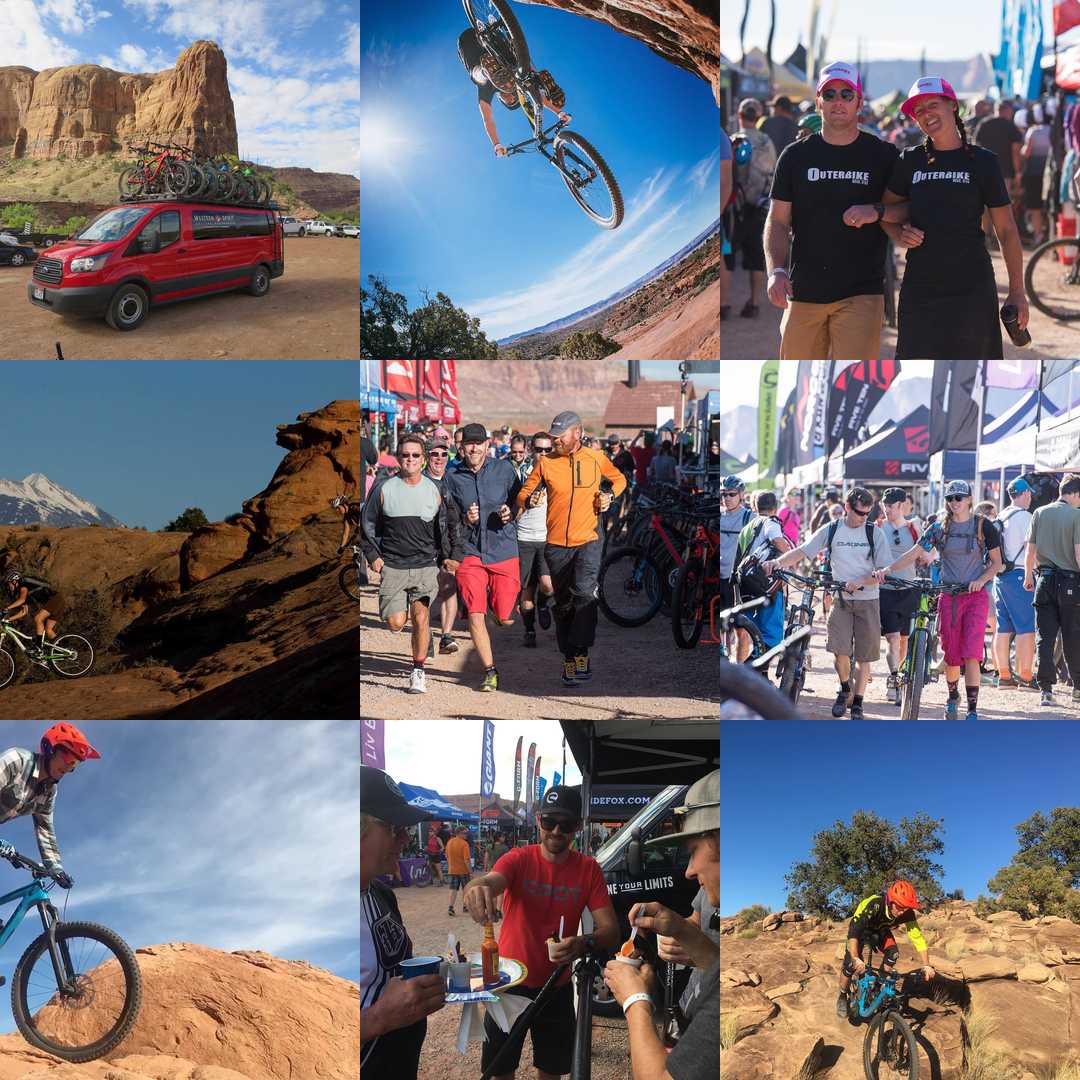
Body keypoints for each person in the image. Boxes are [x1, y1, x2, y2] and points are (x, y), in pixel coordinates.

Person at [462, 785, 620, 1080]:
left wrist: (582, 943)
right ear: (538, 821)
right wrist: (475, 889)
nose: (556, 831)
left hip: (556, 986)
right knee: (500, 1070)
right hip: (508, 983)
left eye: (566, 824)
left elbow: (611, 930)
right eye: (549, 821)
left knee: (551, 1071)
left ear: (578, 826)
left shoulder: (588, 869)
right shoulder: (518, 858)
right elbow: (491, 880)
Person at [867, 77, 1027, 359]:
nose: (926, 114)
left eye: (932, 105)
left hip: (972, 288)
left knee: (974, 373)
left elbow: (1006, 230)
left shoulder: (983, 161)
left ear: (952, 105)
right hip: (920, 287)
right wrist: (899, 233)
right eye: (919, 111)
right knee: (916, 370)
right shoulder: (910, 160)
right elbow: (885, 211)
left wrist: (1016, 291)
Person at [765, 61, 900, 360]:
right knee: (797, 379)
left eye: (846, 94)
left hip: (862, 292)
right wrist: (776, 270)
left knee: (851, 381)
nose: (838, 101)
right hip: (803, 291)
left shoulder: (883, 155)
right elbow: (777, 221)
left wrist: (876, 210)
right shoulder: (794, 156)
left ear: (859, 103)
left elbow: (905, 208)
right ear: (818, 102)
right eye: (830, 94)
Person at [601, 770, 719, 1080]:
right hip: (685, 1023)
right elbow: (715, 958)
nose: (688, 871)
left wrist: (635, 1000)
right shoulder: (714, 895)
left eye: (693, 851)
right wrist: (678, 927)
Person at [876, 480, 1003, 720]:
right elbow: (915, 552)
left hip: (975, 597)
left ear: (969, 499)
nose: (955, 502)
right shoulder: (939, 528)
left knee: (972, 653)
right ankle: (953, 697)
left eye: (959, 497)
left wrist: (981, 580)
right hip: (949, 597)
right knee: (952, 654)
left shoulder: (983, 526)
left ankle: (972, 709)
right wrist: (888, 569)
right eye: (950, 498)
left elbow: (997, 562)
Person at [517, 412, 627, 685]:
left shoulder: (596, 458)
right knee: (564, 602)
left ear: (577, 433)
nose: (555, 441)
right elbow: (522, 494)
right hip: (556, 545)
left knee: (585, 595)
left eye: (560, 436)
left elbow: (620, 480)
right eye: (553, 436)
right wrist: (530, 499)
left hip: (589, 539)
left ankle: (582, 652)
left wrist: (609, 496)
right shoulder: (546, 463)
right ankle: (568, 655)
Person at [765, 487, 891, 720]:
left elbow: (883, 571)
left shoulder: (875, 533)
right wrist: (777, 562)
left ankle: (858, 703)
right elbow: (803, 551)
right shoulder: (832, 529)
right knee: (838, 651)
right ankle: (845, 689)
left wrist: (861, 581)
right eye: (859, 513)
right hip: (840, 599)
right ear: (847, 507)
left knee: (864, 657)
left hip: (868, 600)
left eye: (868, 514)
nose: (864, 518)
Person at [360, 766, 445, 1079]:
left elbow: (395, 970)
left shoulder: (382, 893)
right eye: (395, 829)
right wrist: (377, 1019)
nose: (406, 839)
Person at [361, 434, 460, 695]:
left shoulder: (436, 489)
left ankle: (418, 670)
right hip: (393, 566)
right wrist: (372, 556)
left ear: (423, 459)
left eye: (416, 455)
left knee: (421, 616)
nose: (411, 459)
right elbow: (366, 524)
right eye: (405, 455)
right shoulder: (384, 488)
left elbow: (452, 524)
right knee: (396, 623)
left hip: (425, 565)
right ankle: (417, 632)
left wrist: (452, 555)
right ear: (398, 457)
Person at [444, 423, 522, 693]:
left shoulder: (504, 470)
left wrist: (510, 513)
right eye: (469, 443)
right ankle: (490, 671)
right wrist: (465, 520)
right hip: (470, 552)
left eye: (479, 443)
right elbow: (448, 519)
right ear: (462, 447)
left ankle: (497, 606)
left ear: (487, 445)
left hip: (502, 549)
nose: (474, 448)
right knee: (476, 615)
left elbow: (519, 501)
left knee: (505, 617)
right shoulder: (452, 477)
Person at [0, 723, 99, 891]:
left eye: (75, 763)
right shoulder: (17, 761)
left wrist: (56, 869)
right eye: (68, 757)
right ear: (50, 749)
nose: (69, 766)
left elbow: (44, 829)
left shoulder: (49, 792)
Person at [457, 27, 570, 158]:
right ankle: (537, 78)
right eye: (513, 100)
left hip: (469, 46)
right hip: (492, 42)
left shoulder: (487, 91)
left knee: (480, 81)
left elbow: (487, 119)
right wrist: (559, 112)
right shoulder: (514, 83)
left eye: (510, 102)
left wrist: (497, 145)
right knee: (524, 78)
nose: (511, 98)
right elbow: (539, 101)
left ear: (501, 100)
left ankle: (485, 71)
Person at [835, 881, 935, 1020]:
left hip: (880, 930)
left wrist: (926, 965)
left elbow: (917, 937)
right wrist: (855, 957)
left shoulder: (907, 912)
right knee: (850, 964)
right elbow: (854, 931)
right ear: (890, 901)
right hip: (861, 930)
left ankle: (878, 985)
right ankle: (842, 994)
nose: (902, 912)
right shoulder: (874, 904)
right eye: (900, 907)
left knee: (893, 953)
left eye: (906, 908)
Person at [1023, 472, 1080, 707]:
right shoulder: (1077, 515)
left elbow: (1030, 550)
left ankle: (1045, 690)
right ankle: (1077, 688)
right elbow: (1079, 553)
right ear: (1075, 494)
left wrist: (1028, 576)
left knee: (1044, 638)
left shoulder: (1039, 512)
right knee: (1073, 637)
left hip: (1044, 580)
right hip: (1070, 583)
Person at [732, 491, 792, 667]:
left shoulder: (746, 528)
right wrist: (790, 555)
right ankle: (750, 671)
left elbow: (738, 560)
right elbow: (778, 541)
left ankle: (758, 675)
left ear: (755, 507)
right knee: (772, 638)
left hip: (746, 587)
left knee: (756, 635)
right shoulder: (771, 522)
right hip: (767, 586)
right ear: (776, 507)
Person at [877, 489, 924, 707]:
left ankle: (900, 677)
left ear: (902, 505)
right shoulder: (878, 527)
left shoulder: (914, 527)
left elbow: (926, 555)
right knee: (893, 638)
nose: (887, 509)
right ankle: (894, 679)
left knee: (904, 639)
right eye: (884, 505)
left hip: (909, 590)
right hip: (885, 590)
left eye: (891, 505)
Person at [732, 98, 778, 319]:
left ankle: (723, 304)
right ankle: (754, 303)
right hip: (760, 205)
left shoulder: (734, 140)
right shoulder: (766, 141)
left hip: (736, 205)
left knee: (727, 255)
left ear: (739, 115)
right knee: (756, 256)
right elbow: (773, 171)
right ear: (758, 117)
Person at [993, 477, 1037, 689]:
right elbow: (1031, 549)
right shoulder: (1026, 517)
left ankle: (1004, 675)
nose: (1030, 498)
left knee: (1003, 628)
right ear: (1025, 493)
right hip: (1020, 575)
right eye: (1029, 494)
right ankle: (1026, 676)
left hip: (1000, 576)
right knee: (1026, 627)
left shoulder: (1002, 515)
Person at [422, 429, 462, 656]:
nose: (439, 458)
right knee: (424, 594)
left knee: (449, 588)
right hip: (423, 546)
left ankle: (446, 636)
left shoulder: (453, 481)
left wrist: (456, 549)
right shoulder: (417, 481)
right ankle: (424, 634)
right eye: (434, 454)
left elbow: (458, 517)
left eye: (444, 454)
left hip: (446, 545)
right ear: (427, 456)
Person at [513, 432, 555, 648]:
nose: (543, 454)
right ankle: (529, 630)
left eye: (548, 449)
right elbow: (513, 508)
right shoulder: (521, 474)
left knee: (548, 585)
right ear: (531, 450)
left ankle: (544, 604)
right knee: (527, 591)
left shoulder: (557, 473)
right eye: (539, 449)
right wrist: (526, 503)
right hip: (524, 538)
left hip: (548, 538)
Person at [717, 476, 754, 655]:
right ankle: (725, 655)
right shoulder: (718, 516)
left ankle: (737, 668)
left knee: (740, 629)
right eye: (724, 494)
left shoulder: (749, 518)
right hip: (720, 576)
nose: (727, 498)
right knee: (722, 624)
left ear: (741, 495)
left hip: (738, 580)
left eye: (731, 494)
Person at [1, 566, 63, 657]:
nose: (8, 587)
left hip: (55, 599)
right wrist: (8, 620)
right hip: (57, 601)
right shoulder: (22, 592)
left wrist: (6, 608)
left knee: (38, 618)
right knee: (48, 629)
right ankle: (63, 648)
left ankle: (38, 648)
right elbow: (24, 612)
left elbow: (22, 600)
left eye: (8, 584)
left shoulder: (23, 585)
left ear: (14, 581)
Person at [1021, 105, 1050, 244]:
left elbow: (1026, 152)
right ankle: (1051, 235)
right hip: (1049, 174)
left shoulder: (1033, 131)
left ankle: (1038, 236)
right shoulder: (1053, 130)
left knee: (1035, 206)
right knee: (1049, 205)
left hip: (1033, 174)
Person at [445, 826, 472, 917]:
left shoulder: (449, 842)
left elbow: (447, 856)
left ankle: (450, 907)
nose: (466, 835)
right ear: (459, 833)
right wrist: (470, 872)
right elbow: (466, 860)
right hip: (463, 870)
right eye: (465, 833)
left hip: (453, 870)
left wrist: (451, 865)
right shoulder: (464, 844)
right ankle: (465, 906)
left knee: (453, 889)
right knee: (466, 889)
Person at [425, 822, 446, 886]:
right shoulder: (429, 838)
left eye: (431, 831)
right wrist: (426, 849)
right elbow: (429, 846)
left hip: (436, 855)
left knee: (438, 869)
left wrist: (439, 851)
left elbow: (442, 847)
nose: (430, 833)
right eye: (429, 831)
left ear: (434, 832)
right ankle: (431, 880)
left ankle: (441, 881)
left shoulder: (437, 838)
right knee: (430, 868)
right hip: (430, 855)